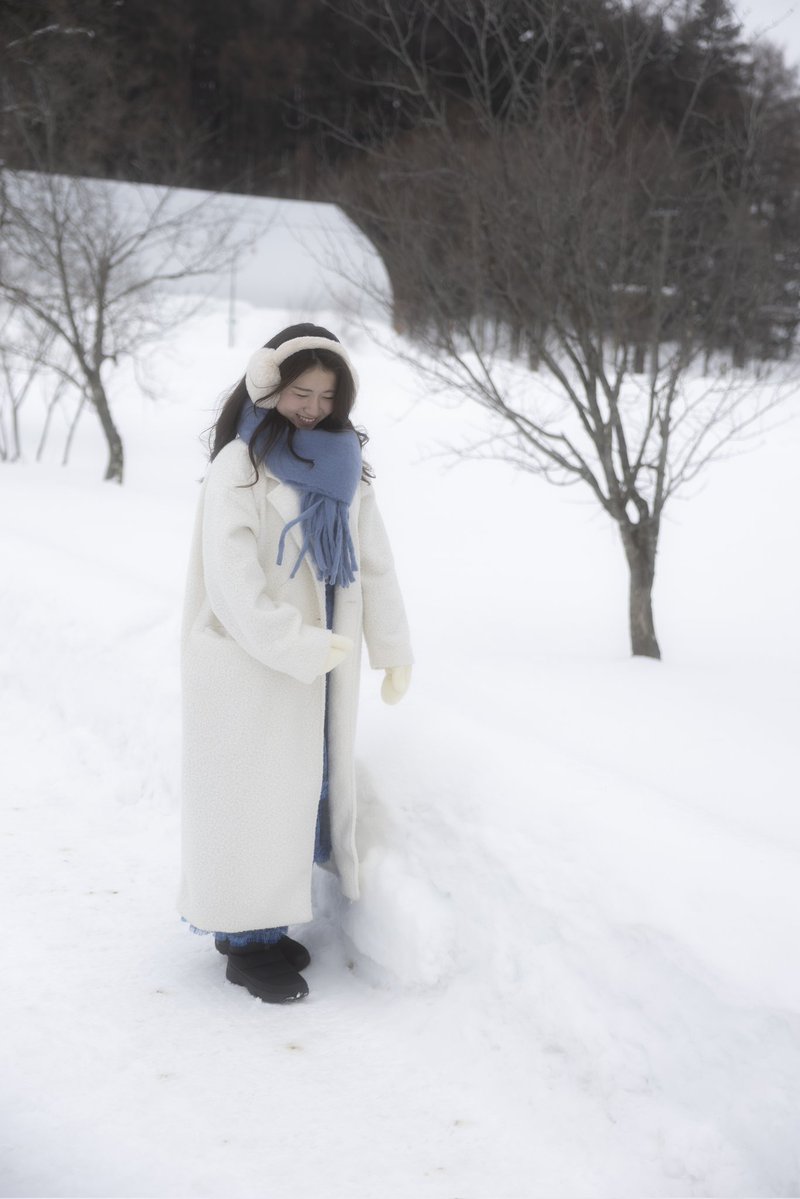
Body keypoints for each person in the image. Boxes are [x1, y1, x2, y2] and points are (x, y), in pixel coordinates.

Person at [177, 323, 413, 1005]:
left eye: (326, 396)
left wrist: (392, 649)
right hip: (249, 665)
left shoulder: (346, 467)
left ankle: (263, 925)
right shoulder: (241, 465)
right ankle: (247, 941)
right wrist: (300, 645)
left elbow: (374, 563)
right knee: (252, 801)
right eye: (300, 392)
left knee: (301, 794)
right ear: (269, 386)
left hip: (320, 664)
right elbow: (232, 582)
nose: (312, 408)